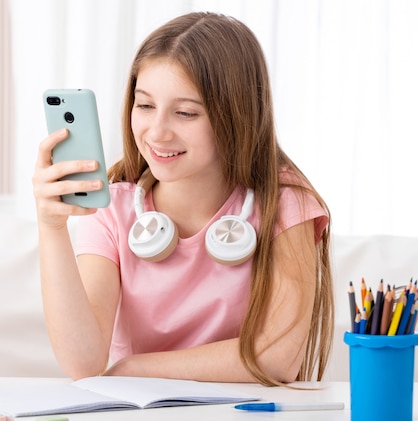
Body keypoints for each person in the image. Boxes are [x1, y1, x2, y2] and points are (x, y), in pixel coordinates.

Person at [32, 11, 333, 386]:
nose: (157, 132)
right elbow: (83, 362)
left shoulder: (285, 202)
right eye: (144, 105)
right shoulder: (114, 207)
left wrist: (133, 368)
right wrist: (52, 226)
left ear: (235, 115)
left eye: (186, 112)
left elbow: (276, 358)